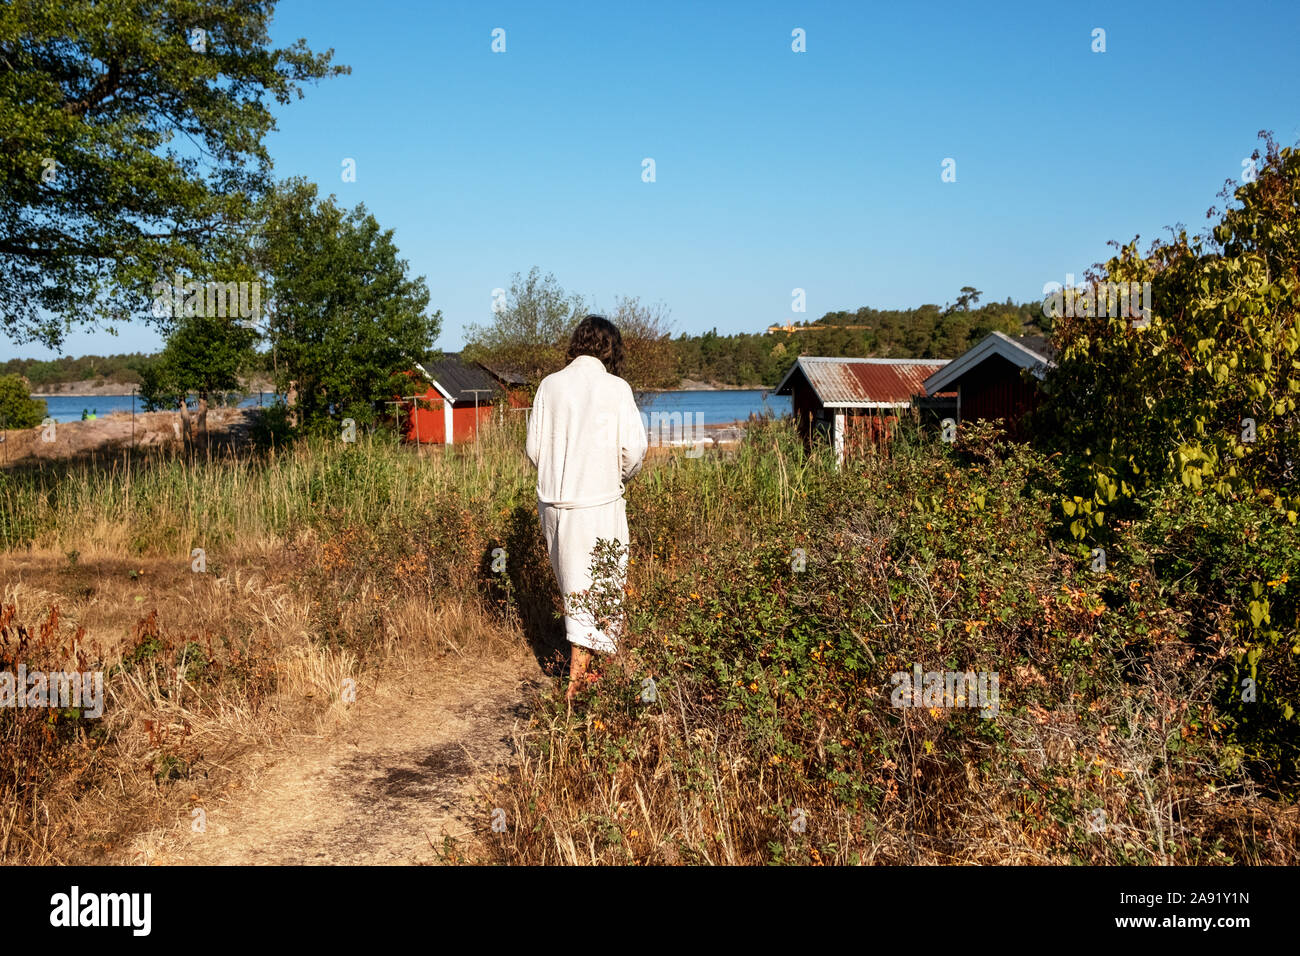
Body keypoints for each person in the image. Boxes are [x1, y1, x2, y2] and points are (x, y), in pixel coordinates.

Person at [526, 315, 648, 701]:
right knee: (603, 585)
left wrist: (557, 474)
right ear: (611, 348)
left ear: (577, 343)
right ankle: (577, 685)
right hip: (596, 502)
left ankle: (596, 673)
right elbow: (635, 450)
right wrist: (617, 475)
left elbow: (533, 449)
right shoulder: (616, 388)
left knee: (574, 588)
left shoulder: (549, 386)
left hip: (554, 503)